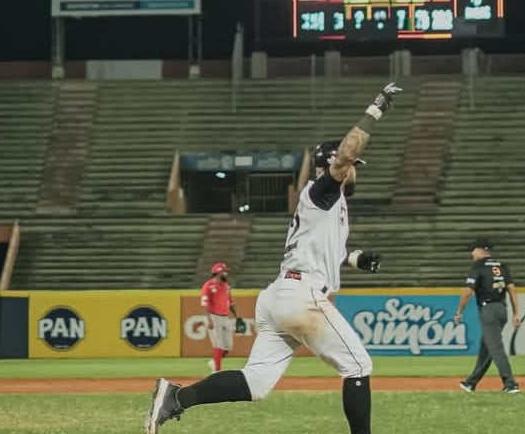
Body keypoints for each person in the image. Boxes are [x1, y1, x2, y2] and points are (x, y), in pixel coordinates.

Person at [144, 82, 404, 434]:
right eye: (352, 164)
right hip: (302, 296)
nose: (355, 169)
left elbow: (325, 251)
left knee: (256, 382)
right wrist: (376, 109)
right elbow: (344, 156)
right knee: (358, 365)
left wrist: (355, 258)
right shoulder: (322, 191)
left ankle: (176, 398)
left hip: (280, 295)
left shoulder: (330, 204)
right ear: (333, 164)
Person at [454, 237, 521, 394]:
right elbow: (512, 289)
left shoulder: (478, 266)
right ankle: (471, 382)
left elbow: (468, 292)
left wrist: (459, 311)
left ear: (481, 250)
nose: (472, 253)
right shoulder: (501, 265)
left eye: (474, 249)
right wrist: (516, 313)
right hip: (502, 309)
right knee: (487, 347)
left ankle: (510, 383)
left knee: (495, 347)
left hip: (488, 310)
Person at [200, 262, 245, 373]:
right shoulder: (208, 285)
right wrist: (209, 319)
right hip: (213, 317)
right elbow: (204, 304)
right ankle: (217, 371)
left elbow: (231, 302)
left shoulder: (226, 286)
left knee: (227, 346)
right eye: (224, 271)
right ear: (218, 272)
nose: (226, 273)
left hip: (225, 317)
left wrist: (237, 316)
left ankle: (214, 362)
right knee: (218, 344)